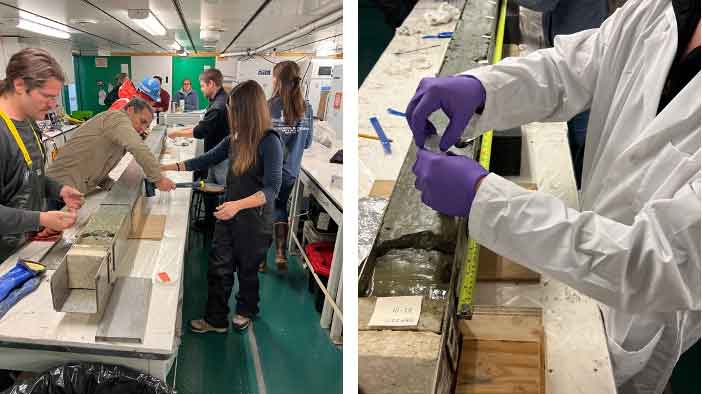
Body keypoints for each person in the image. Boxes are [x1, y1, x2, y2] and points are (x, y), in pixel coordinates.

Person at [405, 1, 699, 393]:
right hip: (590, 243)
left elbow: (658, 261)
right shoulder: (665, 8)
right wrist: (483, 90)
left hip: (643, 316)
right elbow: (571, 68)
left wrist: (484, 199)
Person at [161, 80, 283, 332]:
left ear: (247, 110)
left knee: (247, 270)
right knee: (219, 266)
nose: (230, 114)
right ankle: (215, 319)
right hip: (229, 213)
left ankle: (246, 309)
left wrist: (237, 205)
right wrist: (167, 168)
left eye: (234, 109)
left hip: (255, 218)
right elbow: (207, 158)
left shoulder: (269, 141)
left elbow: (271, 190)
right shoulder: (234, 139)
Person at [0, 48, 84, 262]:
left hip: (22, 246)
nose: (53, 105)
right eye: (47, 96)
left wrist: (58, 190)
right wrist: (41, 218)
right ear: (19, 85)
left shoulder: (28, 121)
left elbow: (25, 175)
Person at [515, 0, 608, 188]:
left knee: (583, 131)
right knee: (575, 124)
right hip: (571, 42)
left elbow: (541, 2)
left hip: (583, 53)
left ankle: (584, 186)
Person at [47, 97, 176, 196]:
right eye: (142, 122)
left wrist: (110, 184)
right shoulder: (117, 118)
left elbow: (99, 159)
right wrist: (158, 179)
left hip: (71, 190)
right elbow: (138, 147)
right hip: (57, 188)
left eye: (146, 126)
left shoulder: (119, 129)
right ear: (130, 110)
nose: (142, 129)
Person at [260, 60, 313, 272]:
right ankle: (281, 253)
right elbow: (307, 142)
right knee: (280, 207)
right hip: (291, 171)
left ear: (278, 80)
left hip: (269, 170)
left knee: (264, 212)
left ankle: (262, 260)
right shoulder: (306, 108)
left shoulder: (268, 105)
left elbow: (260, 139)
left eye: (273, 77)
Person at [167, 69, 230, 230]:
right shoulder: (220, 99)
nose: (201, 89)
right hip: (217, 155)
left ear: (211, 84)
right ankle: (211, 222)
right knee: (210, 188)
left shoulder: (218, 106)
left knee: (221, 194)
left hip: (221, 159)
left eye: (202, 86)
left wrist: (176, 133)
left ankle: (219, 228)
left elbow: (201, 131)